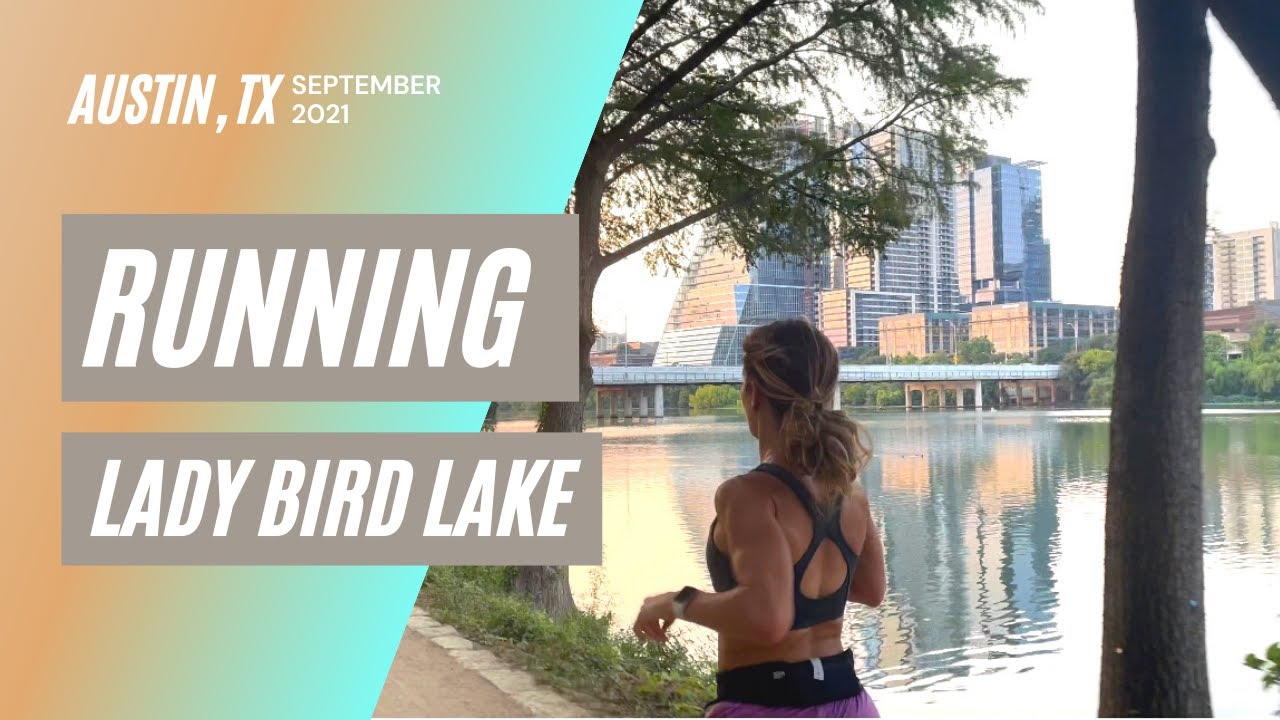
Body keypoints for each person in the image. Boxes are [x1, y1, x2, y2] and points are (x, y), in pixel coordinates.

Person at [632, 319, 886, 718]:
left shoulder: (748, 495)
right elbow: (871, 589)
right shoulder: (850, 492)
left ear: (751, 394)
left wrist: (673, 602)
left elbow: (768, 619)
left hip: (765, 704)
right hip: (849, 704)